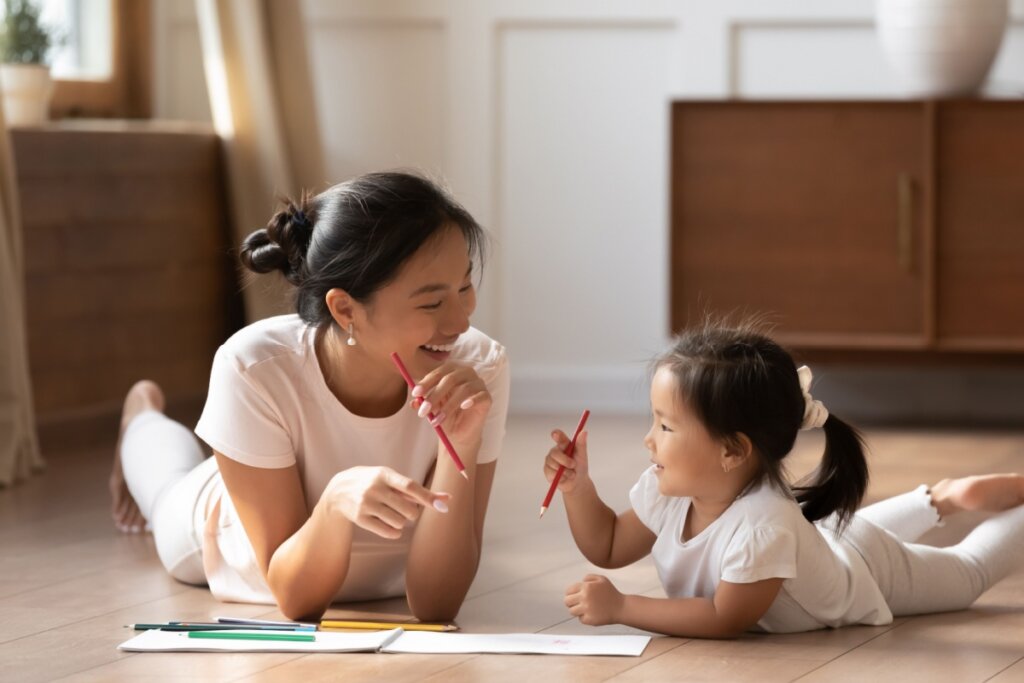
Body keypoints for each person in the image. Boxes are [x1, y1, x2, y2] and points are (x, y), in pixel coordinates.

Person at [108, 171, 509, 622]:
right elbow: (296, 599)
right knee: (166, 488)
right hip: (229, 538)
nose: (459, 322)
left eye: (464, 287)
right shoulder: (254, 367)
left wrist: (464, 444)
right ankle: (140, 416)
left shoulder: (479, 365)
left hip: (385, 578)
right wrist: (335, 502)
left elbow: (437, 605)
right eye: (432, 304)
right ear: (345, 308)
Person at [542, 321, 1024, 637]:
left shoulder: (763, 525)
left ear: (732, 450)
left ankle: (952, 502)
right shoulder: (673, 491)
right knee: (846, 535)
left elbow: (724, 616)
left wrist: (623, 607)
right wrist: (577, 486)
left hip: (866, 568)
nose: (649, 440)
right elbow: (606, 545)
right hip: (828, 537)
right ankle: (939, 499)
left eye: (665, 426)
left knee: (968, 572)